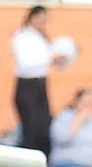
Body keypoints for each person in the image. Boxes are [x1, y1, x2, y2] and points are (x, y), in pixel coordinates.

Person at [11, 5, 68, 156]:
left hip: (41, 85)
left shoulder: (43, 37)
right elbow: (25, 62)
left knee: (44, 128)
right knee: (31, 129)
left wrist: (66, 55)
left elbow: (55, 63)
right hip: (26, 84)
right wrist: (50, 57)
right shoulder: (21, 36)